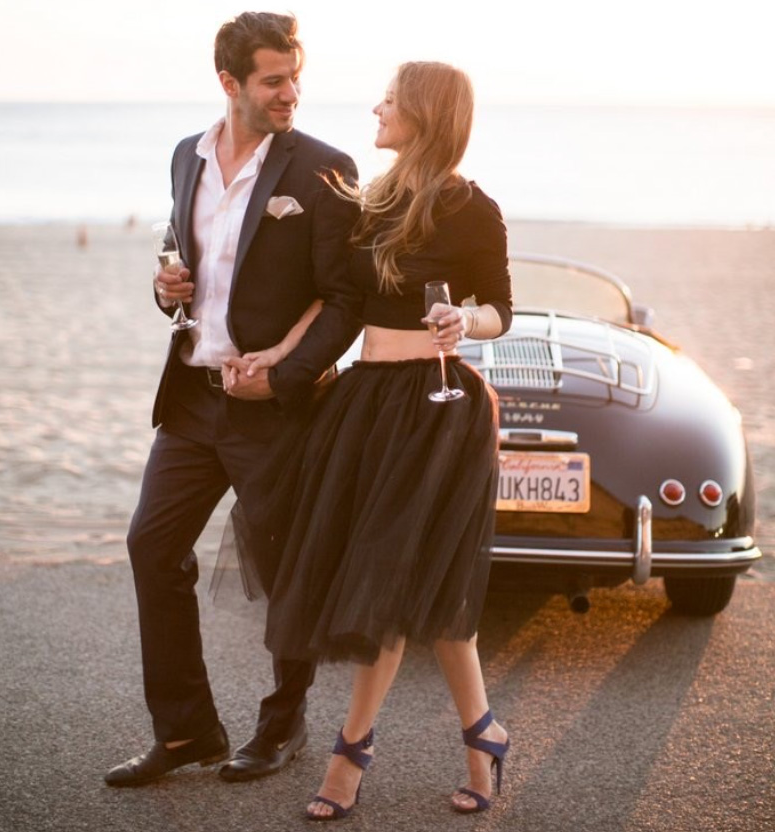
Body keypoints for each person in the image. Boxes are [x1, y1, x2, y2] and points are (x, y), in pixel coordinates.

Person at [227, 61, 513, 819]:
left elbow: (501, 311)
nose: (376, 108)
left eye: (390, 99)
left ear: (423, 115)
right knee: (427, 592)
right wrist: (281, 356)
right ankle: (484, 735)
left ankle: (350, 753)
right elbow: (344, 303)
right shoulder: (370, 200)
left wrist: (467, 322)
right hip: (366, 403)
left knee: (383, 584)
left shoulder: (472, 210)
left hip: (436, 409)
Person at [104, 12, 360, 788]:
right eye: (273, 81)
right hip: (191, 396)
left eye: (294, 78)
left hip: (275, 408)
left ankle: (281, 725)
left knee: (285, 571)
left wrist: (280, 374)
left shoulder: (323, 168)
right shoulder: (187, 156)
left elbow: (345, 300)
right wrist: (163, 288)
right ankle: (185, 732)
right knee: (152, 545)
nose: (290, 94)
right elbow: (188, 271)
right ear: (230, 83)